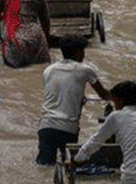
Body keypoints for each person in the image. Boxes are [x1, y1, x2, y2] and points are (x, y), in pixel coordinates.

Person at [36, 35, 110, 165]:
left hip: (46, 126)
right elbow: (103, 94)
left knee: (45, 165)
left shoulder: (49, 70)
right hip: (68, 128)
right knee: (69, 165)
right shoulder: (85, 70)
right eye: (83, 51)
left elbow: (55, 94)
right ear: (78, 52)